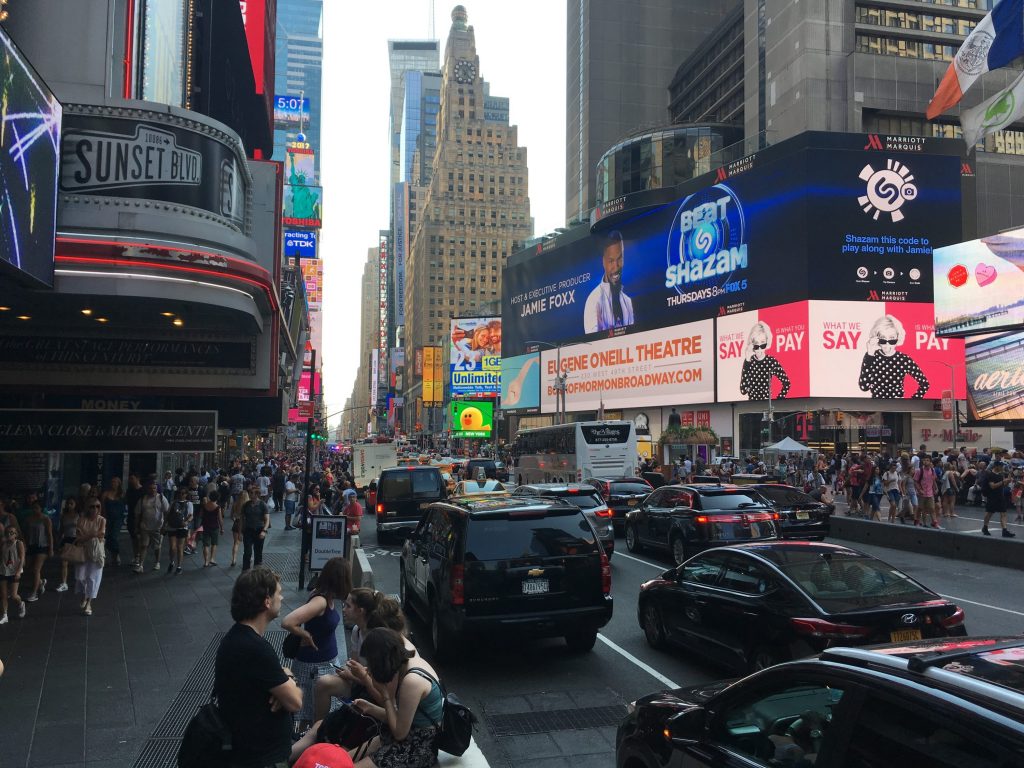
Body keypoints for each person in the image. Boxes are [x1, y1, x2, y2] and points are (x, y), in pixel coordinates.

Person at [215, 567, 302, 767]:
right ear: (267, 601)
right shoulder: (255, 648)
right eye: (279, 593)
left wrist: (284, 680)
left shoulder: (239, 637)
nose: (282, 597)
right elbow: (295, 701)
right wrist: (287, 683)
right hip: (260, 757)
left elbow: (277, 678)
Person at [348, 628, 444, 768]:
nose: (369, 667)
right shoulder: (406, 663)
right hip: (411, 733)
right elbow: (400, 717)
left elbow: (400, 733)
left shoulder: (412, 681)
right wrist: (369, 708)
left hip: (418, 746)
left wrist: (386, 696)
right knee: (343, 759)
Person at [282, 557, 352, 733]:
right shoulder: (319, 601)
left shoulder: (326, 597)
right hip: (313, 666)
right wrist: (304, 634)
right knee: (310, 714)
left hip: (325, 662)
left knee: (314, 713)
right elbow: (288, 621)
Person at [313, 587, 384, 721]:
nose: (343, 609)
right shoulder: (357, 630)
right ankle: (318, 726)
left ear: (360, 611)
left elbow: (378, 684)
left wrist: (351, 675)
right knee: (323, 683)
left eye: (348, 606)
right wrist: (346, 671)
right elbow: (353, 663)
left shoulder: (377, 638)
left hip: (376, 692)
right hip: (360, 683)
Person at [858, 315, 929, 398]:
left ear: (898, 338)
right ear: (876, 339)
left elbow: (925, 384)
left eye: (892, 339)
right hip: (876, 405)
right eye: (883, 339)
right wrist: (870, 354)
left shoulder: (904, 359)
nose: (887, 344)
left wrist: (912, 402)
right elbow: (864, 387)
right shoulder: (871, 356)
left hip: (899, 407)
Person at [583, 230, 633, 333]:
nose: (616, 267)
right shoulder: (594, 300)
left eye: (620, 259)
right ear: (603, 262)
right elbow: (593, 343)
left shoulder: (628, 302)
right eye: (611, 261)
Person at [739, 321, 791, 401]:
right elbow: (743, 390)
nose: (759, 349)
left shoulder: (771, 361)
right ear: (752, 345)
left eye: (763, 344)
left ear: (767, 342)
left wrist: (778, 400)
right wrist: (747, 360)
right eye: (756, 345)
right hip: (751, 406)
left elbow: (787, 383)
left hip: (767, 405)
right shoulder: (749, 361)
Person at [75, 497, 107, 615]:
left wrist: (87, 536)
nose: (95, 509)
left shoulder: (102, 520)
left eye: (97, 506)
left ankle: (89, 602)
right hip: (83, 552)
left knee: (93, 578)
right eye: (92, 506)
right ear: (87, 508)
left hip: (96, 552)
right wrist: (93, 534)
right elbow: (78, 537)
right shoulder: (81, 520)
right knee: (80, 576)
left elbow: (101, 534)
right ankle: (85, 594)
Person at [133, 480, 168, 573]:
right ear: (148, 489)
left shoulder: (161, 498)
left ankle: (157, 562)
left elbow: (166, 512)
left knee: (157, 547)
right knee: (144, 545)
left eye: (154, 488)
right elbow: (137, 514)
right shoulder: (143, 499)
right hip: (145, 527)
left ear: (157, 489)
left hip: (157, 527)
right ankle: (140, 565)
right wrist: (136, 526)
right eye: (151, 488)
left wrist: (164, 526)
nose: (153, 490)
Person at [22, 503, 53, 603]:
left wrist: (51, 548)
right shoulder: (29, 519)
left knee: (36, 569)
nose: (35, 510)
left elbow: (49, 534)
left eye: (37, 508)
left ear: (41, 508)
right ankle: (40, 582)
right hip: (31, 545)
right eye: (33, 508)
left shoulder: (45, 519)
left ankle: (34, 593)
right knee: (28, 568)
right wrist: (25, 545)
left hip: (42, 546)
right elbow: (25, 533)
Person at [980, 460, 1015, 538]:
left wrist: (1008, 480)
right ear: (996, 466)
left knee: (1003, 513)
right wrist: (1003, 482)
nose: (1002, 467)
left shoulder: (1000, 475)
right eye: (1001, 466)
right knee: (989, 513)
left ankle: (1004, 530)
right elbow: (992, 486)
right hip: (992, 497)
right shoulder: (990, 475)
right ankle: (985, 527)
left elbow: (1003, 485)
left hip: (1000, 496)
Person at [0, 524, 26, 624]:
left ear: (16, 534)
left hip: (14, 571)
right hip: (3, 570)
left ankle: (21, 604)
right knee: (3, 595)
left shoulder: (18, 543)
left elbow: (22, 558)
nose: (10, 534)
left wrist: (18, 571)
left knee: (14, 595)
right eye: (8, 532)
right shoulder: (3, 544)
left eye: (12, 532)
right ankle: (4, 615)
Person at [241, 483, 271, 570]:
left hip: (259, 530)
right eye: (249, 492)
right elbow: (242, 519)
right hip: (248, 530)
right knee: (247, 551)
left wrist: (264, 531)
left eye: (251, 493)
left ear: (257, 494)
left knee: (258, 552)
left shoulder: (262, 505)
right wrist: (240, 532)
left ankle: (257, 571)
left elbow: (267, 519)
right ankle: (245, 571)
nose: (249, 494)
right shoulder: (246, 505)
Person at [164, 488, 192, 575]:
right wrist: (164, 525)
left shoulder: (189, 503)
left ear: (186, 494)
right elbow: (168, 514)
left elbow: (191, 515)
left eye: (183, 493)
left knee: (180, 548)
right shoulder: (173, 502)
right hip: (172, 527)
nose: (181, 494)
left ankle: (179, 566)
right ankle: (172, 562)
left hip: (182, 528)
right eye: (180, 493)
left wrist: (186, 522)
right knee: (172, 547)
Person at [101, 477, 128, 567]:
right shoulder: (106, 494)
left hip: (118, 519)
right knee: (107, 537)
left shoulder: (122, 494)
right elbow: (102, 506)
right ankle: (113, 555)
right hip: (107, 518)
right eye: (112, 481)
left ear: (119, 484)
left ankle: (116, 555)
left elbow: (125, 505)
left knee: (114, 536)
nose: (113, 483)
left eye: (116, 482)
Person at [55, 496, 79, 591]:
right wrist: (58, 541)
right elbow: (61, 529)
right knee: (64, 561)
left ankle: (79, 580)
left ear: (75, 505)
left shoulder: (78, 515)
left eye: (71, 503)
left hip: (76, 539)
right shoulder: (63, 516)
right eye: (68, 503)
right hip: (67, 539)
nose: (69, 505)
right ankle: (64, 582)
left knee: (77, 561)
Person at [200, 489, 224, 567]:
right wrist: (222, 528)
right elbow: (220, 519)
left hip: (205, 526)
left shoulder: (205, 505)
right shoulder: (217, 507)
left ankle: (206, 562)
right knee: (214, 543)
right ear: (217, 498)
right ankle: (212, 559)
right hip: (214, 527)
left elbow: (201, 515)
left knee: (206, 545)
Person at [914, 457, 940, 529]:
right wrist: (919, 490)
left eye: (927, 460)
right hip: (922, 493)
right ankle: (917, 521)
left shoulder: (932, 470)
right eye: (924, 460)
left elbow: (933, 480)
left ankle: (935, 522)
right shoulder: (919, 471)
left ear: (930, 462)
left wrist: (936, 488)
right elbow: (915, 481)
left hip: (930, 493)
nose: (925, 462)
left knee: (932, 508)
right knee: (920, 508)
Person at [229, 488, 249, 568]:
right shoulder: (248, 504)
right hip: (246, 524)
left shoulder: (235, 503)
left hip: (237, 523)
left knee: (236, 543)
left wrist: (235, 519)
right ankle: (249, 557)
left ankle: (234, 559)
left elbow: (231, 516)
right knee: (247, 543)